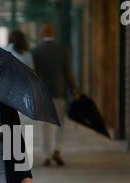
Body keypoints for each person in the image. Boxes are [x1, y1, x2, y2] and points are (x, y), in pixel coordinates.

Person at [32, 24, 79, 167]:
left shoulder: (35, 51)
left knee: (45, 126)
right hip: (59, 92)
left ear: (41, 35)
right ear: (54, 34)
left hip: (42, 94)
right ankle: (57, 150)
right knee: (59, 123)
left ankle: (46, 155)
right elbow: (68, 72)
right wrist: (74, 89)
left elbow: (33, 74)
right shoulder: (62, 50)